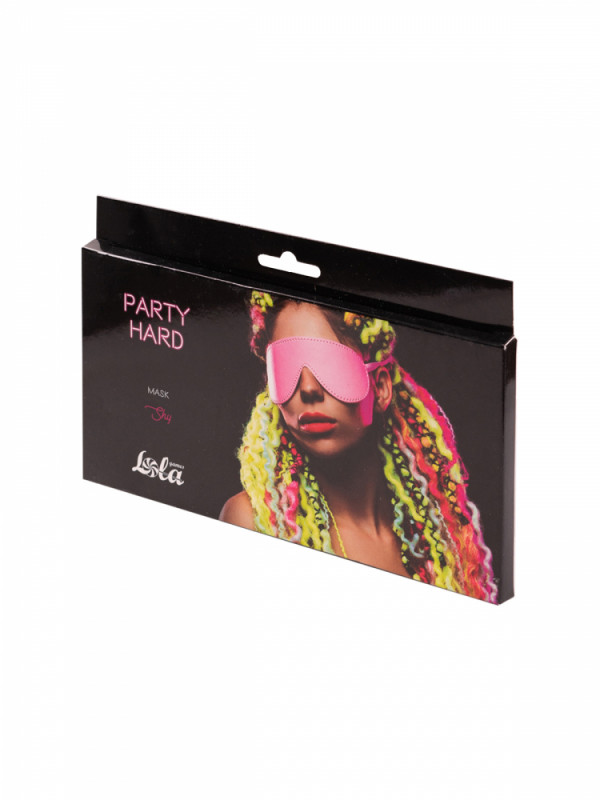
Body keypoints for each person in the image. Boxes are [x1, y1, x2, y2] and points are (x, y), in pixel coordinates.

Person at [220, 290, 497, 603]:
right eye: (285, 367)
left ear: (380, 388)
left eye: (329, 364)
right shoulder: (253, 521)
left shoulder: (441, 540)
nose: (308, 389)